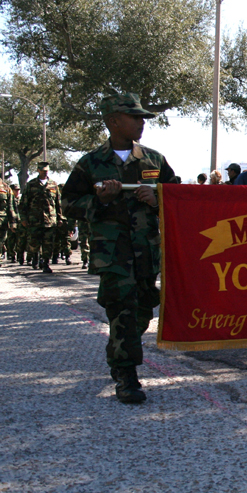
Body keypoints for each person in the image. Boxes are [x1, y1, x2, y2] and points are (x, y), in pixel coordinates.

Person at [62, 92, 177, 404]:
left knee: (142, 311)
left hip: (146, 253)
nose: (141, 123)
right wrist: (99, 201)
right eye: (134, 117)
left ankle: (119, 350)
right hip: (112, 254)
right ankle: (126, 376)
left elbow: (178, 197)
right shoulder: (91, 163)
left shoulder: (154, 160)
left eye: (142, 117)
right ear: (113, 121)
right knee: (122, 312)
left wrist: (158, 200)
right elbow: (68, 202)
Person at [19, 161, 63, 272]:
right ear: (38, 170)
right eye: (42, 171)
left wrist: (60, 218)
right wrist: (23, 218)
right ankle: (35, 258)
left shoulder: (53, 185)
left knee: (48, 244)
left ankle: (46, 263)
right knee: (34, 243)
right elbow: (24, 203)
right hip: (34, 220)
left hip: (50, 220)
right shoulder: (31, 185)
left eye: (46, 171)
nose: (44, 173)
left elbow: (58, 204)